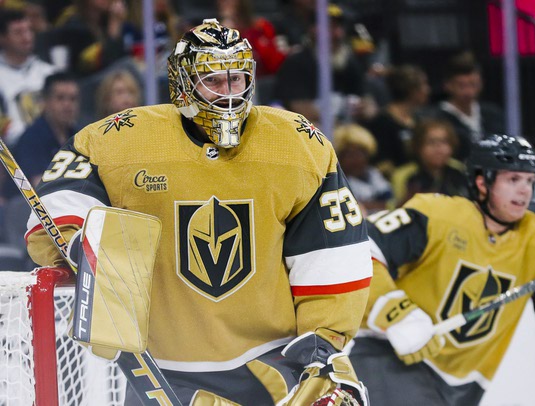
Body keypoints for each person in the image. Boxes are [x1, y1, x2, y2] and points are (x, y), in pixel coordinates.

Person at [24, 19, 371, 405]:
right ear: (183, 83)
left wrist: (323, 343)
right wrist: (80, 243)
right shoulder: (120, 138)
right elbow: (58, 200)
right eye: (214, 81)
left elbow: (332, 250)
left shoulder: (297, 144)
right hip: (154, 368)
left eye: (236, 79)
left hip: (269, 361)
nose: (228, 95)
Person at [349, 134, 535, 405]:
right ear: (481, 182)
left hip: (463, 384)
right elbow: (357, 252)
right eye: (513, 180)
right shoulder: (436, 214)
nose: (525, 190)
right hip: (387, 352)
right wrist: (394, 313)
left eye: (530, 181)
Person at [273, 3, 367, 126]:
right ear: (312, 29)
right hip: (307, 129)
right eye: (328, 27)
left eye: (338, 27)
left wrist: (363, 108)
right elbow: (300, 107)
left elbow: (363, 98)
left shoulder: (350, 62)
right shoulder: (296, 62)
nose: (335, 34)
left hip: (346, 127)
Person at [2, 72, 79, 200]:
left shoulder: (80, 136)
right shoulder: (31, 138)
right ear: (45, 101)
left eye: (72, 99)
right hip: (24, 211)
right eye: (60, 98)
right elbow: (40, 185)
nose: (67, 104)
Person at [432, 51, 505, 161]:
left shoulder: (493, 113)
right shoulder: (437, 118)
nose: (468, 92)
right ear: (447, 85)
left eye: (473, 84)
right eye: (461, 86)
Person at [0, 8, 56, 146]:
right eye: (18, 32)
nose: (27, 37)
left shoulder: (49, 72)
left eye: (29, 30)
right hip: (13, 154)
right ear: (2, 38)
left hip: (54, 148)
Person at [365, 64, 430, 178]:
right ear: (411, 90)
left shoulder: (419, 120)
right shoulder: (382, 122)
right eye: (423, 85)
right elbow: (381, 162)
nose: (427, 89)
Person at [391, 118, 468, 207]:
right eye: (431, 142)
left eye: (444, 142)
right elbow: (394, 209)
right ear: (418, 146)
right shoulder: (403, 175)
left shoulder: (460, 170)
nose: (439, 148)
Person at [334, 123, 393, 214]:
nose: (355, 159)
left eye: (360, 153)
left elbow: (389, 202)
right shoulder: (337, 181)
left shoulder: (374, 174)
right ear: (340, 156)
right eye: (349, 154)